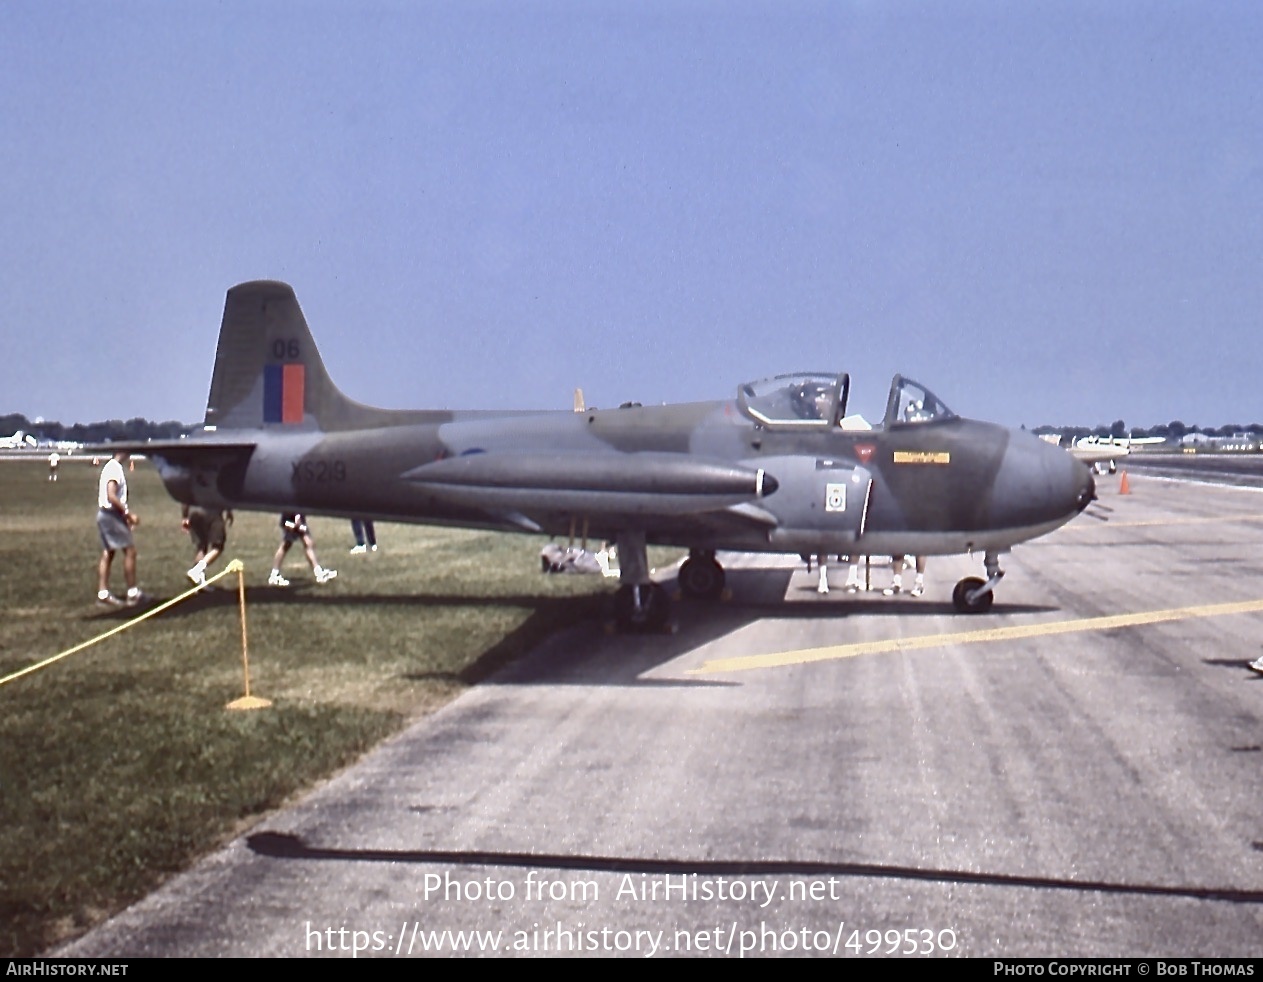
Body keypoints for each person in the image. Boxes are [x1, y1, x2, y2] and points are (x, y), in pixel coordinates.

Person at [96, 450, 145, 606]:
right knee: (130, 551)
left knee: (108, 553)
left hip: (106, 515)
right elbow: (112, 495)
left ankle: (103, 593)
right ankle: (132, 592)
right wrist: (128, 514)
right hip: (111, 515)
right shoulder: (114, 468)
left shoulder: (111, 467)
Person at [269, 514, 337, 586]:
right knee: (287, 544)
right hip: (292, 515)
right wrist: (296, 519)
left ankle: (319, 573)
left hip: (297, 514)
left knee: (306, 543)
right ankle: (274, 575)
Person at [182, 505, 233, 587]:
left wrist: (185, 516)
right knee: (218, 547)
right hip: (213, 513)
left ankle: (198, 580)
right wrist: (229, 511)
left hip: (195, 513)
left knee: (202, 547)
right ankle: (197, 570)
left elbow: (185, 497)